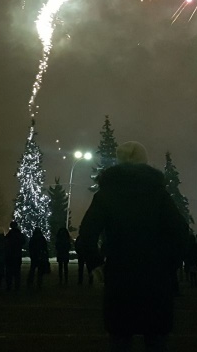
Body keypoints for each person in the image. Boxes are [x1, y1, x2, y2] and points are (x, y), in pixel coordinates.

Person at [79, 141, 187, 351]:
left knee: (120, 338)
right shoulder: (159, 195)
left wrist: (96, 264)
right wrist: (169, 266)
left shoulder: (106, 194)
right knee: (155, 339)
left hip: (120, 277)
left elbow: (86, 235)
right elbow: (181, 233)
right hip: (155, 279)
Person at [5, 221, 26, 291]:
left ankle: (9, 286)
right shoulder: (19, 234)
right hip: (17, 255)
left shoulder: (9, 235)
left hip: (10, 256)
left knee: (9, 272)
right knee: (17, 272)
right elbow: (23, 241)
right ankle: (17, 286)